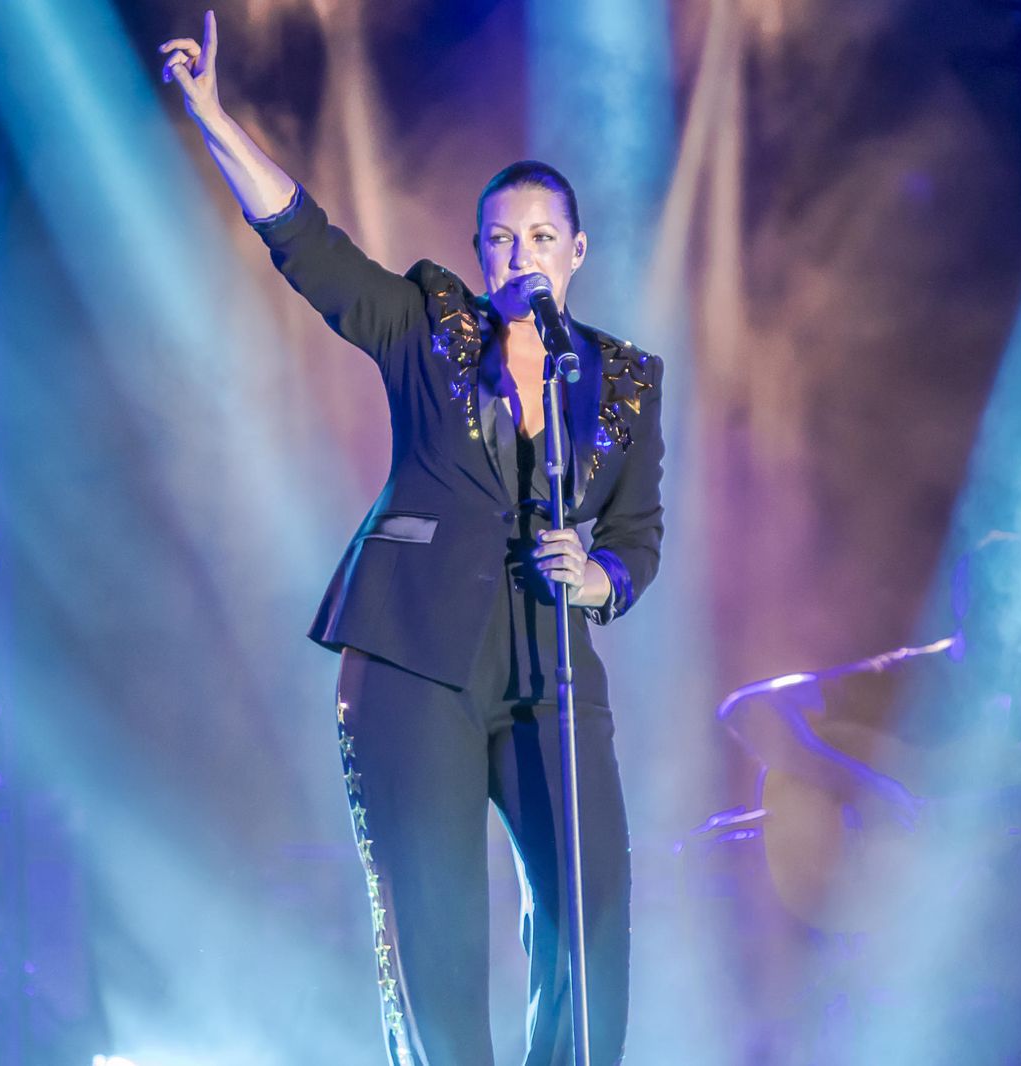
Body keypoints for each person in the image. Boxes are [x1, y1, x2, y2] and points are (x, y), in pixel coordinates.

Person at [161, 12, 664, 1064]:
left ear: (576, 251)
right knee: (434, 941)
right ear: (480, 253)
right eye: (499, 239)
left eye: (539, 239)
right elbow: (311, 248)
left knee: (592, 914)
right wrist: (213, 118)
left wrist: (599, 577)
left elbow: (638, 531)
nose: (518, 256)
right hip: (411, 659)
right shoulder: (432, 327)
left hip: (550, 668)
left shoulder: (618, 379)